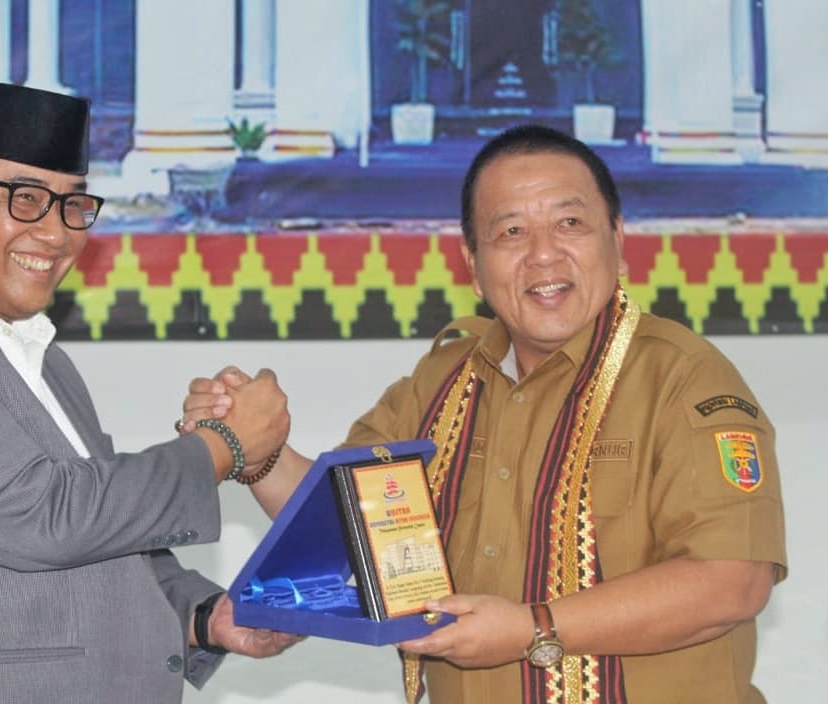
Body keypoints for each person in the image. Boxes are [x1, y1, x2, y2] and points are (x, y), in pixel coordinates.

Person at [180, 125, 787, 703]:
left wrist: (534, 628)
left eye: (570, 223)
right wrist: (257, 452)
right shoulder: (441, 381)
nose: (543, 255)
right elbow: (347, 525)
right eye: (512, 232)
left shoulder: (683, 378)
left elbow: (733, 581)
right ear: (472, 265)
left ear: (618, 241)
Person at [0, 81, 297, 704]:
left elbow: (100, 539)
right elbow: (42, 515)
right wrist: (224, 445)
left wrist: (204, 616)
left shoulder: (40, 354)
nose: (58, 233)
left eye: (73, 204)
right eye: (27, 198)